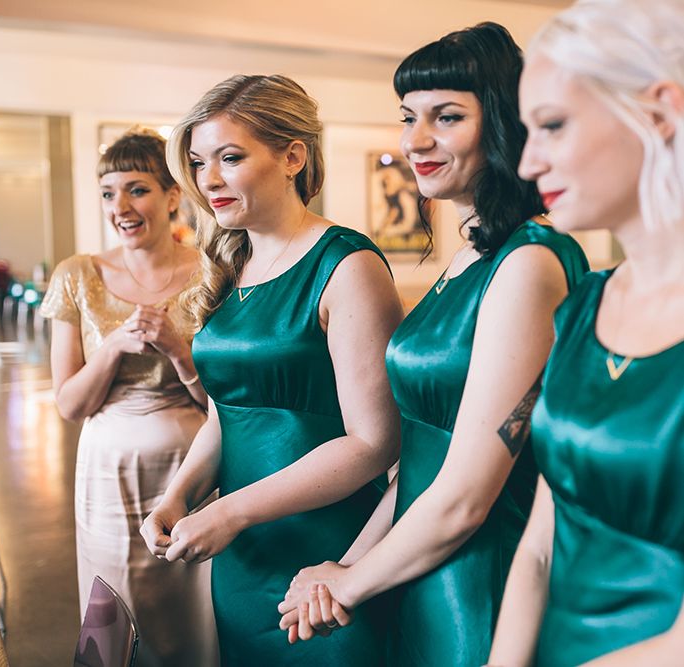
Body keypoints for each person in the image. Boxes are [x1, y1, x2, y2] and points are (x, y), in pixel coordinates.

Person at [278, 23, 590, 666]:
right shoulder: (466, 260)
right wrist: (347, 565)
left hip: (477, 580)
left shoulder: (531, 263)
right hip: (416, 566)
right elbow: (422, 458)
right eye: (408, 117)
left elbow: (468, 493)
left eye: (446, 117)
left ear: (503, 125)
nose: (415, 141)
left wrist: (351, 582)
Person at [139, 75, 403, 666]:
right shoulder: (234, 264)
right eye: (200, 162)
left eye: (230, 158)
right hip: (241, 553)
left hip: (326, 548)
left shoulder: (347, 264)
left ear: (292, 157)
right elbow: (225, 413)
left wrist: (231, 511)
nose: (208, 180)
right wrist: (179, 496)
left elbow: (375, 442)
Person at [487, 1, 684, 665]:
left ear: (658, 113)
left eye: (551, 125)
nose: (526, 163)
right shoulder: (581, 308)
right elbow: (542, 542)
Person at [40, 128, 218, 667]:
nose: (121, 206)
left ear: (171, 197)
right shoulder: (77, 277)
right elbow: (70, 405)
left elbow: (223, 401)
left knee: (190, 603)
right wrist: (115, 345)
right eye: (108, 192)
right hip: (104, 472)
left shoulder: (212, 271)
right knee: (115, 598)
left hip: (191, 464)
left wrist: (176, 349)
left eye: (136, 189)